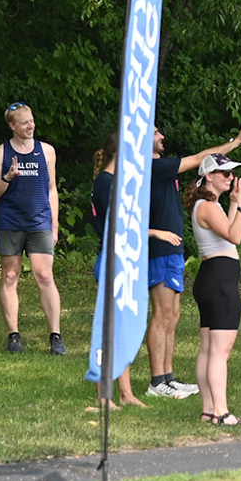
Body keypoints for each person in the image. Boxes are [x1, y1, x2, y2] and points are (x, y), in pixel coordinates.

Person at [140, 119, 241, 399]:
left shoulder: (162, 168)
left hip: (172, 249)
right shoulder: (152, 165)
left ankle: (167, 378)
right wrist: (237, 141)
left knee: (173, 315)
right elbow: (199, 159)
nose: (162, 135)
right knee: (162, 315)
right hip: (160, 248)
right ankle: (157, 381)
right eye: (155, 132)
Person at [0, 103, 63, 355]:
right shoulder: (0, 154)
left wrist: (54, 223)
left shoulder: (47, 151)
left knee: (45, 276)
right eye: (25, 122)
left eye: (32, 121)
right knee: (10, 276)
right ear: (12, 126)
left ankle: (55, 336)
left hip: (40, 223)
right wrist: (7, 177)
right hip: (11, 223)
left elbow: (52, 189)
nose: (31, 126)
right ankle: (14, 335)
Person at [188, 154, 241, 424]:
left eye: (231, 172)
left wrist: (233, 204)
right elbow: (235, 236)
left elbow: (226, 232)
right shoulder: (209, 207)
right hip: (220, 281)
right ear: (209, 176)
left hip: (211, 278)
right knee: (220, 352)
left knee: (208, 349)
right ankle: (221, 412)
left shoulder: (208, 205)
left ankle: (209, 410)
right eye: (224, 173)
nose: (230, 177)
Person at [87, 134, 144, 407]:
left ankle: (126, 393)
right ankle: (103, 395)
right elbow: (118, 226)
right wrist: (154, 233)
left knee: (121, 328)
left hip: (120, 261)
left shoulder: (110, 182)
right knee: (108, 330)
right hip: (111, 261)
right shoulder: (107, 184)